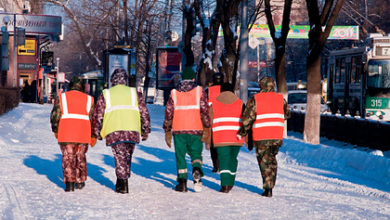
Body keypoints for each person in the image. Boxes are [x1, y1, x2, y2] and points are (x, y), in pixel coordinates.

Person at [92, 69, 150, 194]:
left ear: (113, 80)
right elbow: (144, 113)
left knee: (119, 156)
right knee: (127, 156)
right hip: (132, 130)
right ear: (125, 80)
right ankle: (123, 179)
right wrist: (145, 130)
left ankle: (122, 182)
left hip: (114, 130)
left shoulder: (106, 94)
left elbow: (98, 114)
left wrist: (96, 131)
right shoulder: (135, 93)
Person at [238, 77, 290, 197]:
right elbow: (287, 114)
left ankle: (268, 188)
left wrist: (243, 132)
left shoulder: (256, 99)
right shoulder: (280, 98)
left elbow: (248, 118)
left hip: (262, 136)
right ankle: (271, 184)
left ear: (261, 85)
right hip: (276, 135)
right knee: (272, 160)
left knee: (264, 161)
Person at [163, 66, 210, 192]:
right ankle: (196, 169)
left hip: (179, 129)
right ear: (193, 78)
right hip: (196, 129)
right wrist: (207, 126)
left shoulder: (174, 93)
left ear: (182, 79)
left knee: (180, 155)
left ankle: (182, 183)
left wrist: (167, 129)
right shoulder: (199, 91)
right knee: (196, 154)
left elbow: (168, 113)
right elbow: (205, 111)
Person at [50, 77, 96, 192]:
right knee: (80, 157)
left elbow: (55, 116)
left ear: (70, 86)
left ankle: (69, 183)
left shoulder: (62, 97)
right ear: (82, 87)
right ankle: (80, 181)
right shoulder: (89, 99)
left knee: (68, 158)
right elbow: (93, 119)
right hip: (83, 133)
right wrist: (93, 135)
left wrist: (55, 130)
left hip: (66, 133)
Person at [209, 83, 245, 193]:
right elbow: (246, 120)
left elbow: (209, 122)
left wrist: (207, 138)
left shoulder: (213, 104)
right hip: (236, 138)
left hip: (220, 137)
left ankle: (225, 185)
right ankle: (230, 182)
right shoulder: (240, 104)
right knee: (232, 159)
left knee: (223, 159)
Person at [207, 72, 225, 173]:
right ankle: (222, 164)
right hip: (225, 121)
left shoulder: (208, 91)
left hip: (213, 121)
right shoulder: (227, 90)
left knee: (213, 145)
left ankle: (216, 165)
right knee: (222, 144)